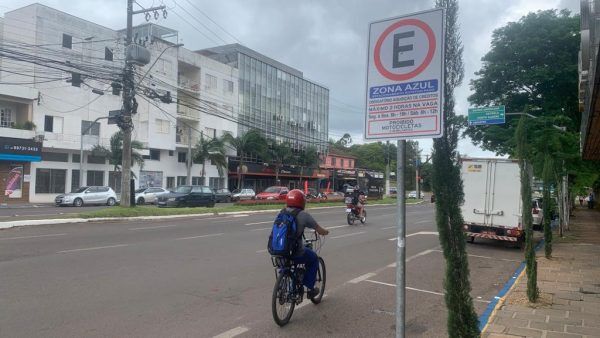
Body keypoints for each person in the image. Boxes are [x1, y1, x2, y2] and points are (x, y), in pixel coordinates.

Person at [282, 189, 329, 298]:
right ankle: (310, 288)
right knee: (313, 259)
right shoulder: (303, 215)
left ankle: (285, 284)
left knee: (286, 264)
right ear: (302, 201)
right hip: (295, 251)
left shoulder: (282, 212)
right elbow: (319, 229)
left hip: (278, 251)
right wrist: (326, 232)